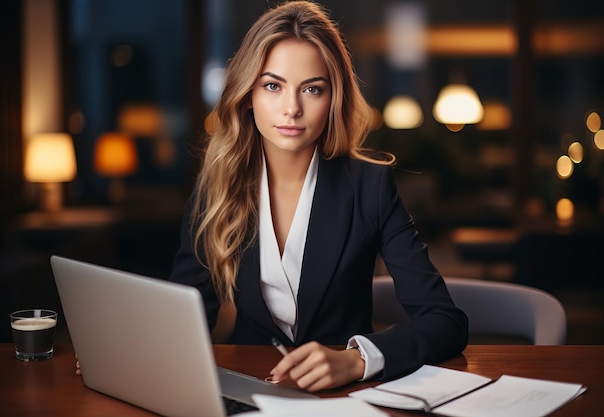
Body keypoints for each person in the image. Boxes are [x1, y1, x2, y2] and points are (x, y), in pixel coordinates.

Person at [178, 0, 469, 392]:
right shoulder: (216, 186)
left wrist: (358, 359)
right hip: (247, 387)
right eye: (272, 85)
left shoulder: (370, 186)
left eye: (312, 89)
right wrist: (139, 352)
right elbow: (185, 315)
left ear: (334, 99)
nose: (292, 108)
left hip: (347, 396)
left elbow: (445, 322)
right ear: (248, 95)